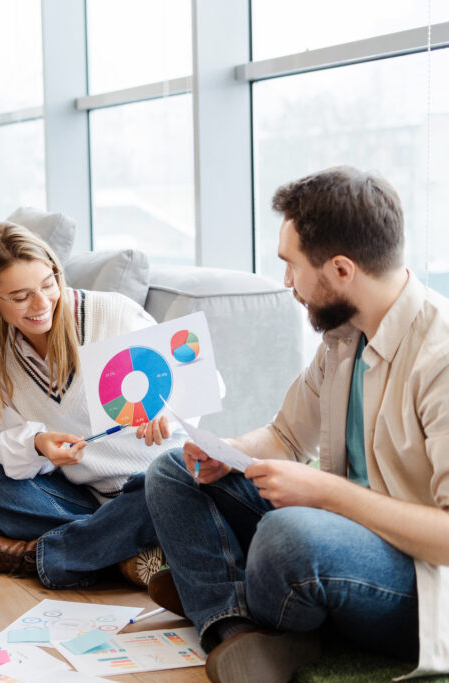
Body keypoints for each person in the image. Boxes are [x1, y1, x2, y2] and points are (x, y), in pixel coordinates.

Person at [144, 166, 449, 681]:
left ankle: (224, 591)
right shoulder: (344, 334)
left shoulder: (439, 356)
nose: (287, 283)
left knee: (287, 537)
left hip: (418, 577)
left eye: (292, 266)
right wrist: (229, 448)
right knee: (173, 471)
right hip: (342, 530)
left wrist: (324, 493)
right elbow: (285, 437)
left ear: (341, 270)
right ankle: (233, 626)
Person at [0, 223, 181, 589]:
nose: (41, 305)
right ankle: (119, 551)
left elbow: (196, 381)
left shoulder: (112, 315)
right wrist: (37, 444)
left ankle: (39, 555)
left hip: (153, 485)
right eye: (21, 297)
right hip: (86, 499)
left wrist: (166, 409)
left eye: (48, 285)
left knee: (166, 490)